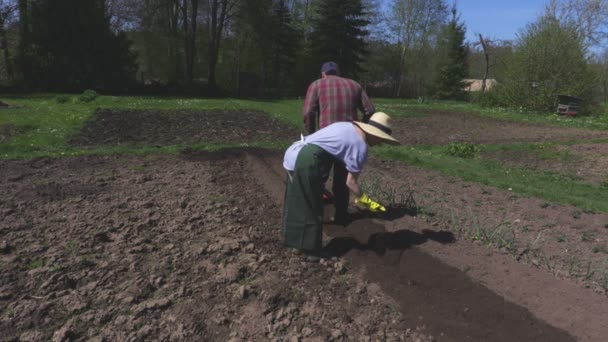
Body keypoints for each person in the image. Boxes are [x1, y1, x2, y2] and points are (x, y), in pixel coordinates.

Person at [282, 112, 399, 255]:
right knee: (312, 205)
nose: (380, 143)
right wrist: (367, 202)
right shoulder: (360, 146)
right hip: (308, 160)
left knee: (299, 201)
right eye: (381, 139)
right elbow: (351, 182)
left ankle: (294, 243)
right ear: (374, 133)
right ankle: (311, 252)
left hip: (295, 153)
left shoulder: (348, 126)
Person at [303, 61, 376, 224]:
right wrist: (361, 129)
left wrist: (312, 135)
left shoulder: (317, 85)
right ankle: (341, 216)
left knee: (317, 178)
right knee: (343, 182)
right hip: (350, 141)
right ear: (338, 72)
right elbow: (370, 111)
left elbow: (308, 113)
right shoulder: (354, 85)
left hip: (326, 142)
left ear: (323, 74)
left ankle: (313, 216)